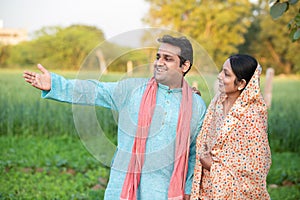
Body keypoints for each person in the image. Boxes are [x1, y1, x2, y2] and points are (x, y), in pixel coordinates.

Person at [23, 35, 207, 200]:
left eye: (168, 59)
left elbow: (194, 152)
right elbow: (95, 91)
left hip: (163, 189)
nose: (159, 63)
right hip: (123, 185)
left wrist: (188, 188)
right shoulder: (132, 89)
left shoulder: (196, 106)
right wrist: (55, 84)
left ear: (185, 66)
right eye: (158, 57)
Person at [191, 54, 272, 199]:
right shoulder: (219, 101)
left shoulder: (252, 117)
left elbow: (255, 170)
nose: (219, 76)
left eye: (226, 74)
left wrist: (213, 167)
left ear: (241, 83)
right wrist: (193, 100)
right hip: (207, 190)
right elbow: (207, 131)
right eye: (222, 71)